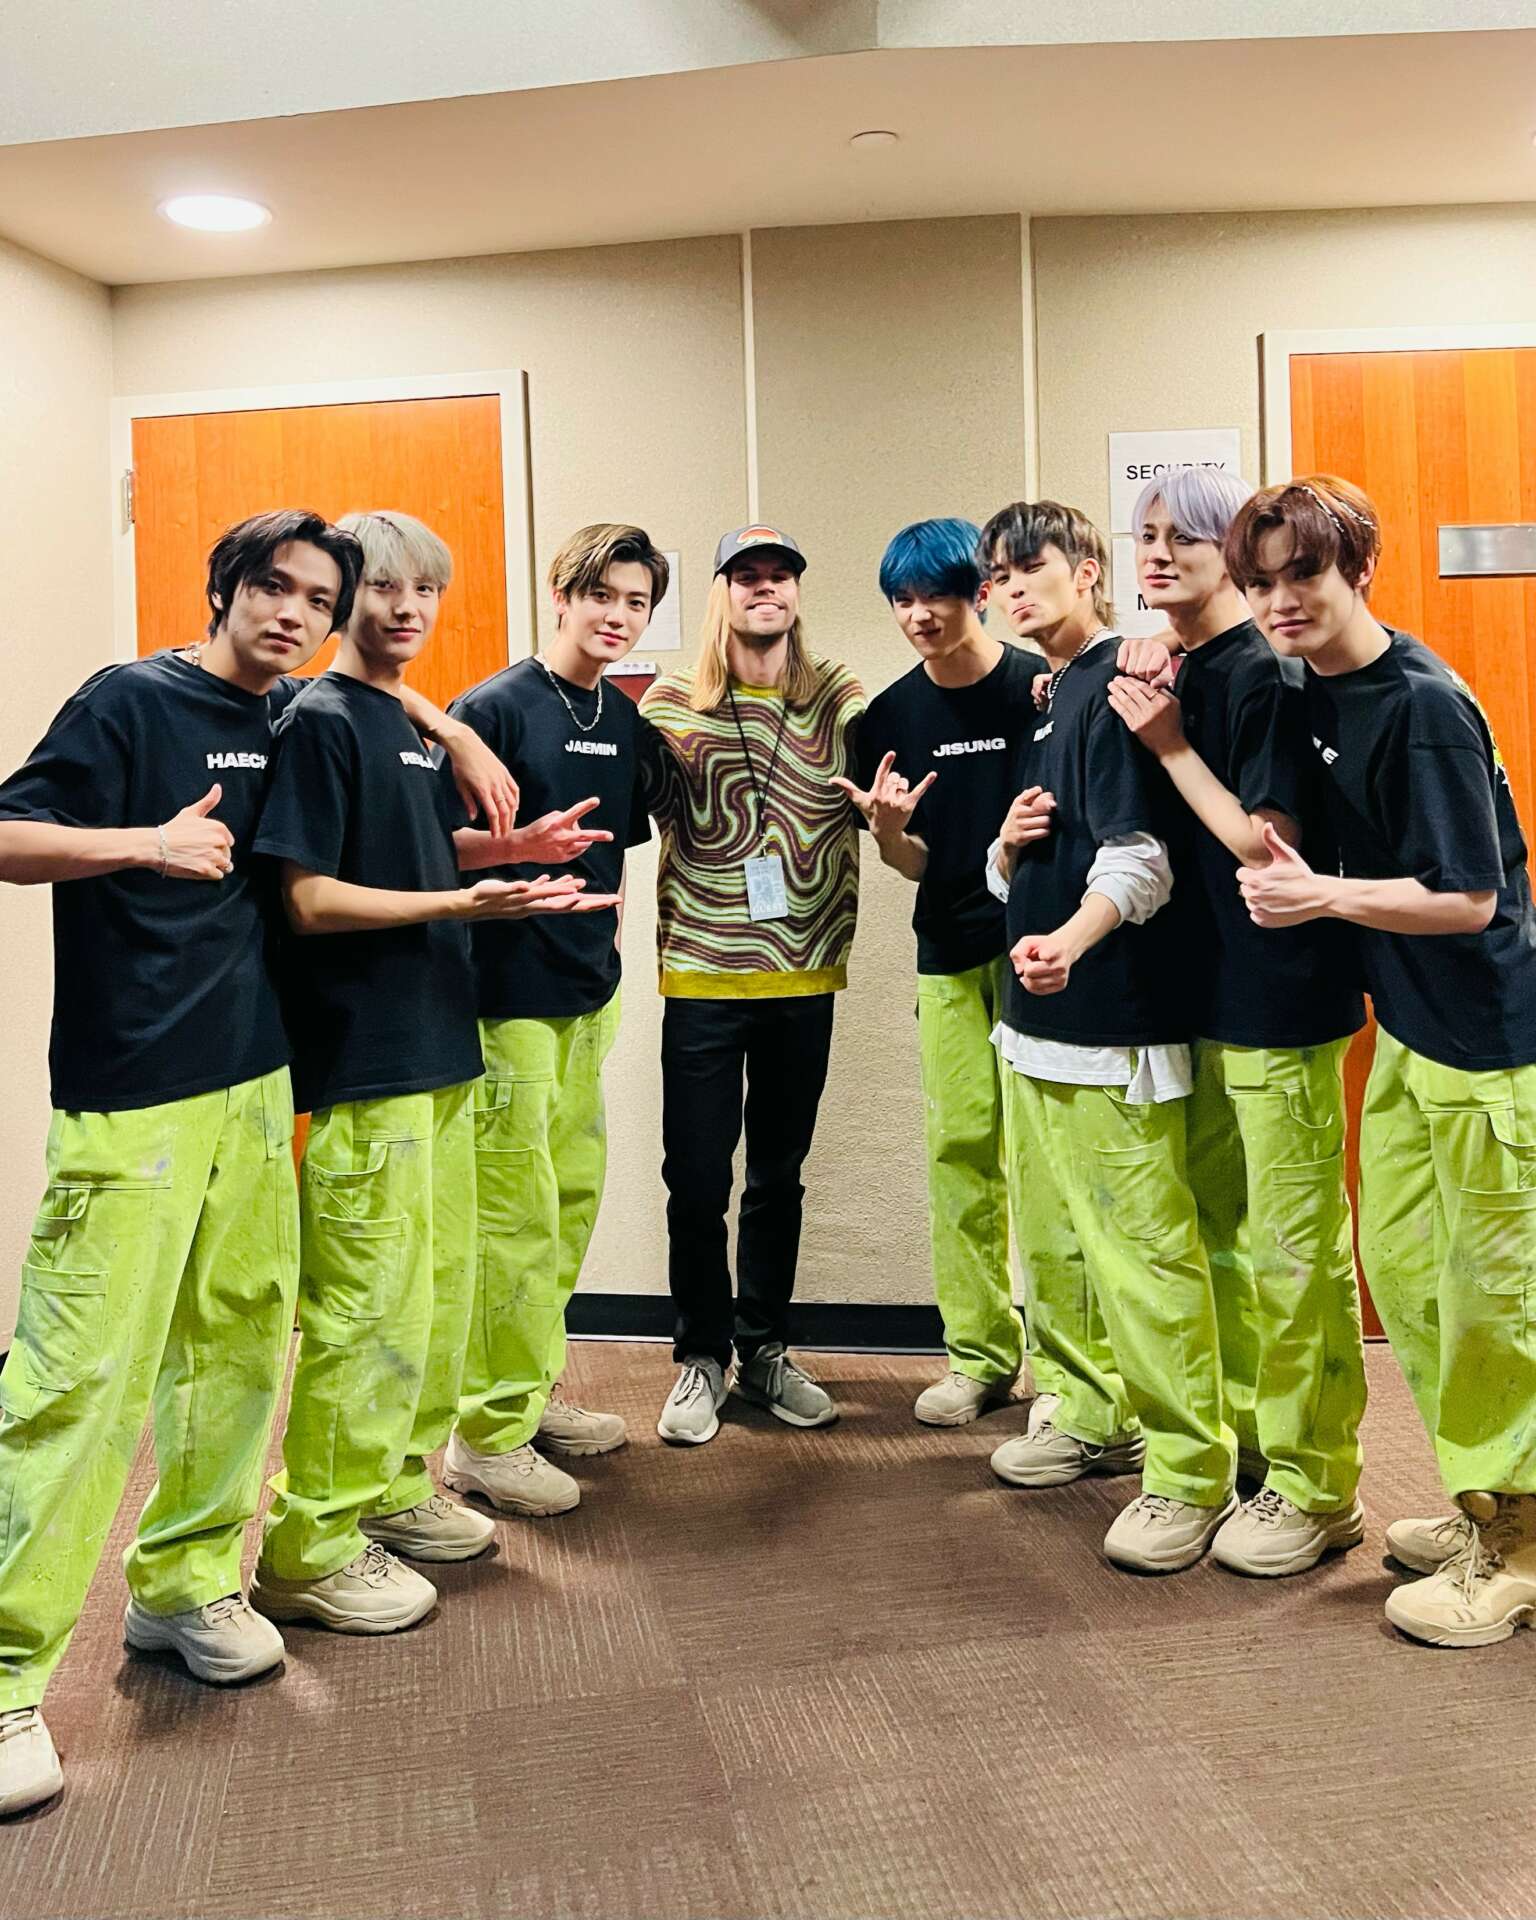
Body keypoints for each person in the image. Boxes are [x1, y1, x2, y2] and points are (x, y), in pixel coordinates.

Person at [0, 511, 360, 1816]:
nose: (291, 613)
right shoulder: (128, 701)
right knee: (81, 1378)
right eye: (273, 585)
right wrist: (142, 842)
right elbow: (7, 835)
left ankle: (186, 1581)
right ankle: (4, 1675)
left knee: (238, 1341)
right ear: (227, 587)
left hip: (253, 1082)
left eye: (317, 599)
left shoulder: (297, 720)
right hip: (132, 1091)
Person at [248, 510, 590, 1638]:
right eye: (382, 588)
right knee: (363, 1306)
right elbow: (308, 896)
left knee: (434, 1291)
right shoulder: (318, 720)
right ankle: (307, 1546)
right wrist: (461, 901)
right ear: (340, 598)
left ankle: (393, 1486)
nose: (406, 609)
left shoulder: (402, 720)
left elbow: (410, 849)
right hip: (366, 1061)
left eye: (426, 590)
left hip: (442, 1045)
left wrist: (510, 851)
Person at [1227, 475, 1536, 1645]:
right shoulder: (1312, 688)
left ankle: (1521, 1542)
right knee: (1405, 1273)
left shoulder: (1422, 704)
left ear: (1359, 568)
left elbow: (1469, 897)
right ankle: (1489, 1500)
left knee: (1493, 1304)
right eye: (1262, 582)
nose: (1281, 601)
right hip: (1408, 1029)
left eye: (1304, 573)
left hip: (1489, 1043)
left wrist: (1320, 896)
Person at [1103, 467, 1369, 1577]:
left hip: (1280, 997)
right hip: (1201, 997)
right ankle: (1257, 1443)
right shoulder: (1175, 660)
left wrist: (1170, 741)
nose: (1159, 554)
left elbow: (1270, 847)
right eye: (1146, 535)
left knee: (1295, 1251)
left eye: (1186, 537)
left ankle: (1318, 1483)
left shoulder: (1263, 671)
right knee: (1217, 1238)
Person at [979, 499, 1237, 1575]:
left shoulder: (1121, 685)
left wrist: (1070, 944)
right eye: (997, 577)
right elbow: (1031, 862)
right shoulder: (1050, 695)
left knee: (1143, 1260)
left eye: (1030, 565)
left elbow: (1141, 861)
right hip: (1033, 1026)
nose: (1010, 588)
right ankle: (1091, 1413)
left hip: (1112, 1022)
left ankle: (1189, 1471)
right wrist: (1004, 850)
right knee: (1055, 1249)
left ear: (1088, 568)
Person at [440, 524, 670, 1517]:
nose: (617, 616)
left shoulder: (620, 715)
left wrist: (610, 956)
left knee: (568, 1202)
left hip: (586, 993)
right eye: (601, 596)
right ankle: (486, 1436)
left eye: (636, 602)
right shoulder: (493, 708)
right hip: (505, 1001)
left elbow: (612, 851)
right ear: (561, 594)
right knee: (513, 1219)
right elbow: (430, 847)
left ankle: (526, 1394)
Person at [640, 526, 863, 1444]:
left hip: (805, 973)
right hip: (701, 972)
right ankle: (701, 1355)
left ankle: (764, 1349)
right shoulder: (670, 702)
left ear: (797, 593)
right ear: (722, 593)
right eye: (747, 577)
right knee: (696, 1180)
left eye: (779, 576)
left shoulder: (838, 698)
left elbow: (918, 730)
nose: (764, 589)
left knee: (777, 1177)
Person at [835, 517, 1040, 1426]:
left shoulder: (1039, 689)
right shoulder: (887, 720)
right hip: (948, 953)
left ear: (981, 594)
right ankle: (981, 1356)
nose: (920, 615)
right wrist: (887, 834)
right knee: (960, 1154)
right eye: (903, 600)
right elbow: (916, 862)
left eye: (939, 597)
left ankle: (1071, 1375)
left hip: (1043, 953)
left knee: (1047, 1163)